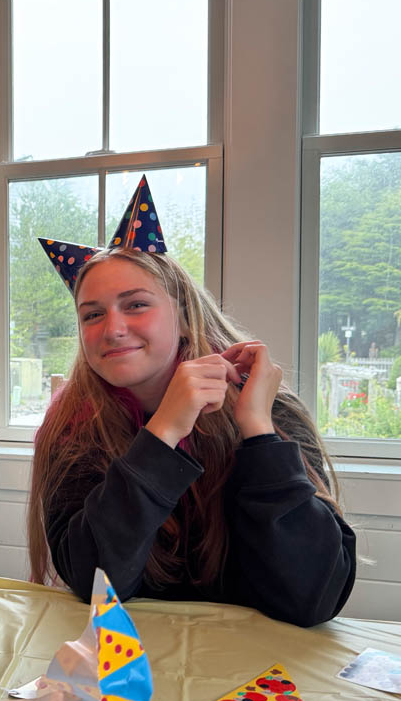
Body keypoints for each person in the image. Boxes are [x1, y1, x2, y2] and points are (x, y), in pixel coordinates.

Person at [27, 176, 355, 628]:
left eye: (136, 305)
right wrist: (162, 433)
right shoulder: (74, 427)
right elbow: (94, 582)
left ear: (183, 315)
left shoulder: (268, 410)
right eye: (93, 314)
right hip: (134, 662)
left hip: (259, 664)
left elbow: (313, 597)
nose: (113, 327)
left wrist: (258, 431)